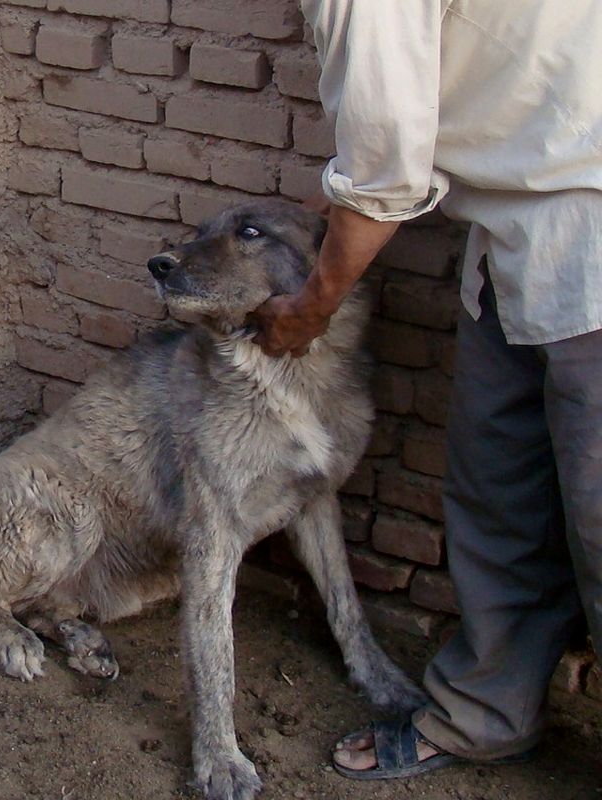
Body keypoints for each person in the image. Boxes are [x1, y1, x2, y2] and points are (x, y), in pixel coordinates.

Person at [249, 0, 602, 781]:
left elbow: (384, 176)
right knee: (500, 495)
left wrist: (305, 311)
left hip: (585, 226)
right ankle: (485, 713)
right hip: (515, 226)